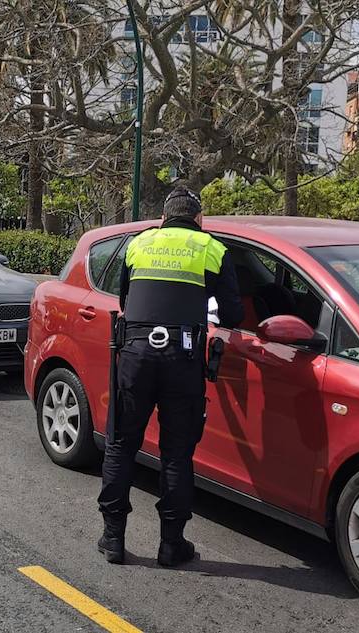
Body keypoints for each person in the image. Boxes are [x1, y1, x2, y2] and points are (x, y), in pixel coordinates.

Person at [97, 184, 243, 567]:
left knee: (121, 445)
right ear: (199, 219)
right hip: (183, 356)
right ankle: (171, 545)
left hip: (135, 353)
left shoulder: (139, 244)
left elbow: (125, 300)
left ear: (163, 218)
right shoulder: (213, 249)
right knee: (177, 454)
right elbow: (233, 315)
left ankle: (113, 539)